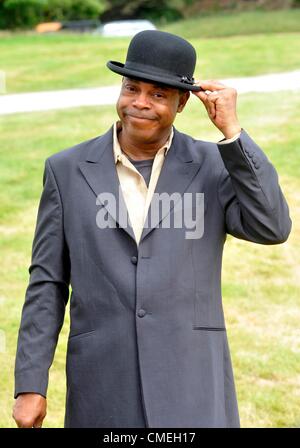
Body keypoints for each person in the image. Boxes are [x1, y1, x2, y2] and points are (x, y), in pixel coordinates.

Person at [13, 30, 291, 428]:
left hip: (192, 383)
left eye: (158, 94)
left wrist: (233, 135)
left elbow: (272, 225)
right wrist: (30, 384)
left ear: (182, 103)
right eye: (131, 88)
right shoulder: (67, 171)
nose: (140, 103)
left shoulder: (213, 165)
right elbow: (47, 282)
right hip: (103, 386)